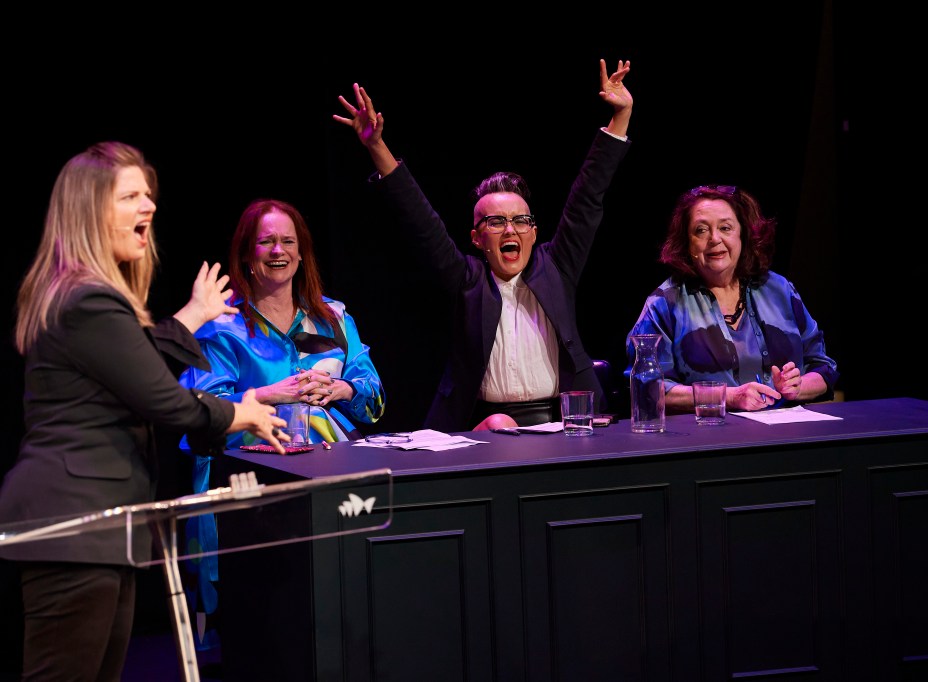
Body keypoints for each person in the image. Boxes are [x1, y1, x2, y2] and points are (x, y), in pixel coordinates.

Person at [0, 141, 287, 682]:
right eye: (130, 196)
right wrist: (239, 414)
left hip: (98, 526)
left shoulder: (82, 297)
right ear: (90, 210)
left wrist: (193, 315)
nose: (149, 207)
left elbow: (134, 370)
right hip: (74, 522)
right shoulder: (87, 299)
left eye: (148, 195)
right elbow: (161, 399)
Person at [333, 58, 633, 432]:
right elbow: (420, 220)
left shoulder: (557, 266)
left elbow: (588, 195)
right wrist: (376, 145)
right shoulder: (467, 280)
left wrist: (620, 117)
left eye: (521, 220)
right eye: (496, 222)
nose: (511, 230)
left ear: (534, 232)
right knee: (498, 425)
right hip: (485, 428)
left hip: (566, 423)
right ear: (477, 238)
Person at [177, 197, 386, 651]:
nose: (278, 251)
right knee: (269, 623)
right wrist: (272, 394)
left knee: (334, 612)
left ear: (302, 251)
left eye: (288, 241)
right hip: (252, 485)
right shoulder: (221, 325)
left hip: (332, 476)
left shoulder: (332, 316)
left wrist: (342, 390)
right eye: (266, 241)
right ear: (247, 254)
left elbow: (375, 399)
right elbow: (197, 411)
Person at [626, 184, 839, 413]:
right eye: (701, 230)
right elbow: (646, 387)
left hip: (786, 434)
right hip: (706, 437)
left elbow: (824, 367)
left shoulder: (779, 289)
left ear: (743, 235)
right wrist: (728, 396)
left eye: (725, 228)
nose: (714, 238)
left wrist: (797, 388)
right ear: (688, 244)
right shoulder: (664, 303)